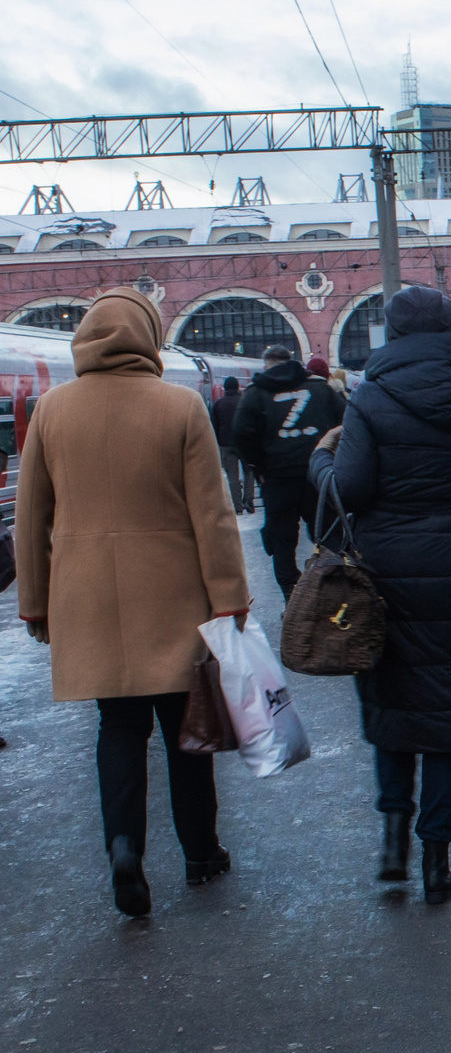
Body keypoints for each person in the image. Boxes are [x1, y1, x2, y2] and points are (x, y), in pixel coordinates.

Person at [14, 289, 253, 917]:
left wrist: (36, 603)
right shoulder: (179, 406)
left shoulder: (53, 410)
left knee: (117, 729)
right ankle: (201, 854)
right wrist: (231, 599)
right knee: (187, 733)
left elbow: (31, 516)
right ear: (147, 335)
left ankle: (125, 848)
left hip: (88, 600)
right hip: (174, 598)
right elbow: (214, 515)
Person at [309, 285, 451, 906]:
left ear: (391, 335)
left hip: (385, 574)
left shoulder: (369, 398)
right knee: (446, 719)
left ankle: (393, 839)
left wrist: (320, 465)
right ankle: (437, 862)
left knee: (393, 709)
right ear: (449, 328)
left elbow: (353, 487)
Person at [231, 343, 343, 597]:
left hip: (278, 478)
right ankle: (337, 596)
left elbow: (241, 432)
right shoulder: (320, 388)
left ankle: (292, 599)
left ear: (266, 365)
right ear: (292, 360)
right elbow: (345, 423)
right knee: (328, 537)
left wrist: (258, 466)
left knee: (282, 542)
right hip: (318, 476)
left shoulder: (255, 393)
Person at [210, 375, 255, 513]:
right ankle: (248, 500)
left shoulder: (218, 404)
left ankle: (237, 507)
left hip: (226, 445)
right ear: (237, 387)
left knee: (232, 477)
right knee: (249, 472)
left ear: (224, 388)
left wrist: (219, 441)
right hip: (245, 444)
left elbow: (214, 425)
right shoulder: (245, 401)